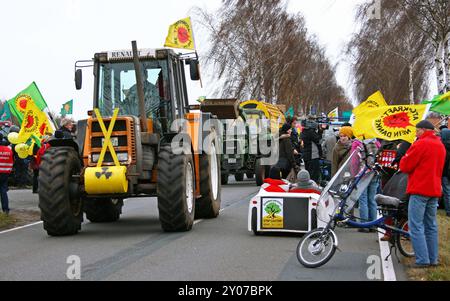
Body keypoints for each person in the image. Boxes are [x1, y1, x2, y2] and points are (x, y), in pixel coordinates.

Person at [400, 120, 446, 268]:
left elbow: (405, 166)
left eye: (416, 130)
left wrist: (404, 154)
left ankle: (422, 259)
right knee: (430, 225)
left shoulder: (420, 144)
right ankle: (433, 259)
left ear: (422, 130)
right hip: (434, 189)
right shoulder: (440, 145)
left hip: (420, 188)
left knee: (415, 225)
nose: (415, 133)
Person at [301, 118, 323, 183]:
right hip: (312, 156)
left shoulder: (304, 131)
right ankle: (312, 188)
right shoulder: (310, 132)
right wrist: (320, 131)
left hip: (307, 156)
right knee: (314, 175)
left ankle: (308, 188)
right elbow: (318, 140)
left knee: (309, 174)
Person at [0, 134, 14, 215]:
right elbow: (12, 161)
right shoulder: (8, 149)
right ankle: (6, 209)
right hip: (5, 173)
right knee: (3, 191)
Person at [441, 129, 450, 217]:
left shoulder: (442, 146)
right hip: (447, 173)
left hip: (443, 172)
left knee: (446, 192)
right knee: (448, 192)